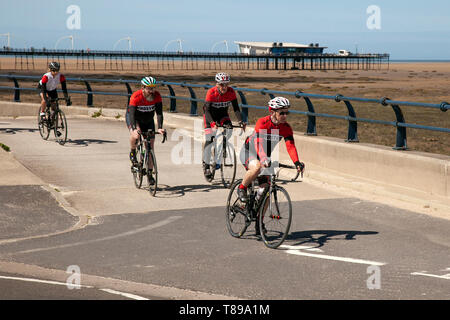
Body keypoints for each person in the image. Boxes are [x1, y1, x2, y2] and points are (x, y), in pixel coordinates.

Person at [238, 97, 305, 234]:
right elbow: (258, 143)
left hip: (265, 157)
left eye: (287, 113)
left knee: (266, 190)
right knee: (256, 167)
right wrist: (262, 158)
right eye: (282, 113)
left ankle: (258, 221)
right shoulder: (262, 122)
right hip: (249, 152)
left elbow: (290, 146)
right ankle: (242, 188)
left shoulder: (285, 128)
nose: (285, 116)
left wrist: (297, 162)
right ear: (272, 112)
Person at [202, 72, 246, 179]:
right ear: (217, 84)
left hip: (223, 115)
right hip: (210, 117)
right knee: (209, 140)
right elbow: (206, 110)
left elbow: (236, 108)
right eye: (222, 84)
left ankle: (221, 151)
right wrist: (212, 123)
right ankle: (206, 166)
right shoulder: (211, 92)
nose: (224, 87)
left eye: (226, 84)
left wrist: (241, 121)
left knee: (229, 130)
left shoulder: (231, 92)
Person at [126, 76, 166, 184]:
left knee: (151, 147)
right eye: (149, 88)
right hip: (135, 119)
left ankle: (149, 174)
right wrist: (134, 129)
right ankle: (133, 152)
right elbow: (132, 114)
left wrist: (160, 127)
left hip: (148, 120)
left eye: (153, 88)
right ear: (143, 88)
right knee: (136, 136)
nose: (151, 91)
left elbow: (159, 113)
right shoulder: (136, 96)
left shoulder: (156, 96)